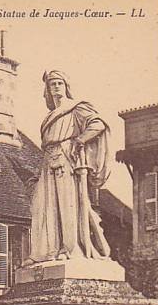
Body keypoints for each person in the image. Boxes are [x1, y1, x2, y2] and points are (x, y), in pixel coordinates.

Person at [26, 70, 111, 265]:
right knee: (42, 205)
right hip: (48, 160)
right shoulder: (49, 117)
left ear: (66, 86)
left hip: (67, 157)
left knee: (67, 204)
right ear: (47, 89)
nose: (55, 87)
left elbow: (98, 124)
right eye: (52, 84)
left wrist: (80, 140)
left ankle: (70, 249)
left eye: (59, 83)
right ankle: (44, 252)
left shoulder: (76, 109)